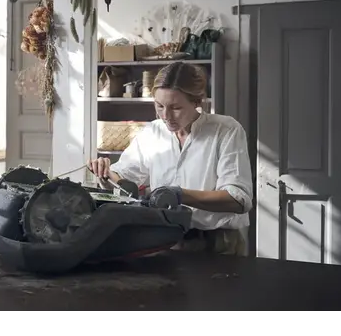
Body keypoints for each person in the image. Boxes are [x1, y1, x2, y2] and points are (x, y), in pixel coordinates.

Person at [88, 61, 253, 256]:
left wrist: (180, 194)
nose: (166, 116)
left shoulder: (225, 130)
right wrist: (106, 173)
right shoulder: (153, 132)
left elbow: (238, 200)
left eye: (176, 107)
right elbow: (124, 179)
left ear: (197, 102)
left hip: (218, 244)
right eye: (159, 106)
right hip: (164, 240)